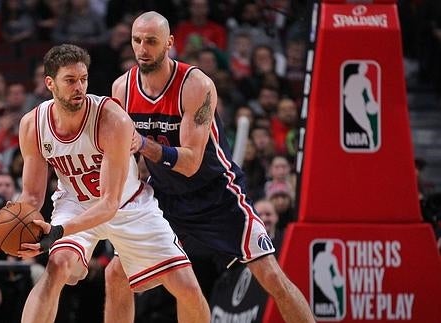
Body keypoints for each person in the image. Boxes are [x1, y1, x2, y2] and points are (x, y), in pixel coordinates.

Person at [104, 11, 315, 323]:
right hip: (166, 199)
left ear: (169, 43)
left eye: (151, 41)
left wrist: (142, 144)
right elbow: (124, 155)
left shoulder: (196, 85)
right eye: (137, 40)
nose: (142, 48)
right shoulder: (121, 88)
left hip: (217, 194)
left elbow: (190, 162)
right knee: (116, 274)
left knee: (271, 277)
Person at [0, 44, 210, 323]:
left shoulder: (111, 119)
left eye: (83, 79)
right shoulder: (32, 125)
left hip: (126, 204)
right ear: (50, 83)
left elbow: (109, 203)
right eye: (70, 81)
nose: (79, 87)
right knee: (57, 267)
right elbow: (33, 196)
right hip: (75, 202)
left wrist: (57, 231)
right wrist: (15, 227)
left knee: (188, 289)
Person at [343, 62, 378, 149]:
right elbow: (345, 91)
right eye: (361, 68)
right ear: (359, 69)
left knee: (365, 122)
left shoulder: (366, 81)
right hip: (351, 101)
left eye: (364, 69)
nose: (362, 70)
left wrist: (373, 104)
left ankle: (371, 140)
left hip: (357, 101)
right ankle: (369, 137)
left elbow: (370, 95)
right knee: (361, 121)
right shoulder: (352, 78)